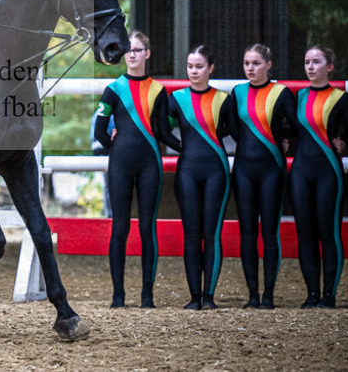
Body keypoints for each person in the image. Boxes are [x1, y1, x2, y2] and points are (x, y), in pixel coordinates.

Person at [93, 30, 176, 308]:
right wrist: (114, 147)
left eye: (137, 50)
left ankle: (147, 296)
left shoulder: (158, 90)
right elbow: (100, 131)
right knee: (120, 228)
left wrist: (188, 145)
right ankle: (118, 296)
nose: (132, 54)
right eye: (127, 50)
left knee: (147, 228)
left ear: (147, 54)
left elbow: (163, 132)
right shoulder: (113, 89)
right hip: (120, 164)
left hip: (150, 164)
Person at [168, 45, 236, 310]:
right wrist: (181, 147)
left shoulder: (223, 99)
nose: (193, 71)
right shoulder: (176, 98)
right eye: (190, 66)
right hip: (187, 171)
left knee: (212, 233)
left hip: (216, 171)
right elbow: (161, 129)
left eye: (199, 66)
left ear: (211, 68)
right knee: (192, 235)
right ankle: (194, 297)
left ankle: (209, 297)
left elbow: (235, 129)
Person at [230, 43, 297, 309]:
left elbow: (297, 126)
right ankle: (252, 296)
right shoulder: (237, 92)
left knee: (269, 233)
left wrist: (281, 138)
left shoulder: (282, 93)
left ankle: (268, 295)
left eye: (256, 63)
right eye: (247, 63)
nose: (250, 68)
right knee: (247, 233)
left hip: (272, 170)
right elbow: (232, 128)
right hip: (243, 170)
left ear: (268, 65)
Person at [289, 45, 348, 308]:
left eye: (316, 62)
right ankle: (312, 293)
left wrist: (344, 139)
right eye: (307, 62)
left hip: (328, 172)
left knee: (328, 232)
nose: (310, 67)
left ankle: (329, 295)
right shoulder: (299, 96)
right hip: (300, 172)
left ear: (329, 67)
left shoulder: (341, 98)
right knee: (305, 233)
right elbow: (288, 128)